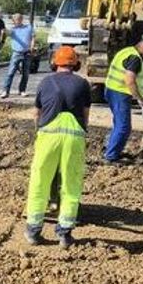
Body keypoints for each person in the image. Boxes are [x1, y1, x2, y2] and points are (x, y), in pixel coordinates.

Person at [24, 45, 91, 248]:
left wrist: (39, 132)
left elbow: (37, 113)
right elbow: (85, 115)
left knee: (40, 180)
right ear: (76, 64)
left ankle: (33, 231)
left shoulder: (46, 82)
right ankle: (65, 234)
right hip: (74, 138)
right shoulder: (83, 84)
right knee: (71, 183)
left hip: (48, 136)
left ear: (55, 63)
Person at [102, 33, 143, 164]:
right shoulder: (135, 58)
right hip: (119, 93)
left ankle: (111, 149)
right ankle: (111, 156)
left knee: (118, 123)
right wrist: (139, 98)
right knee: (124, 127)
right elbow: (129, 80)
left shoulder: (126, 51)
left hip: (111, 90)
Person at [2, 13, 35, 98]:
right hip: (16, 52)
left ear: (21, 19)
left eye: (19, 19)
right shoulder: (13, 30)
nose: (17, 21)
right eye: (15, 19)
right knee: (10, 72)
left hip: (27, 52)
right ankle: (5, 90)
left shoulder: (28, 27)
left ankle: (22, 90)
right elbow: (7, 32)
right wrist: (3, 27)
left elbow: (33, 37)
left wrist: (32, 46)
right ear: (13, 21)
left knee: (26, 73)